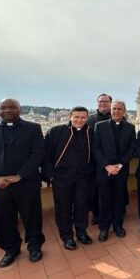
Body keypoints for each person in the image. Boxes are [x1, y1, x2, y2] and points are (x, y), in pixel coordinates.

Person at [0, 98, 45, 267]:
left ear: (20, 109)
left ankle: (34, 246)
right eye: (3, 108)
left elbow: (38, 154)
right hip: (0, 186)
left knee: (32, 216)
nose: (7, 110)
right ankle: (10, 249)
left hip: (27, 183)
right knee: (3, 219)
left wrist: (21, 175)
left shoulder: (33, 128)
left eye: (12, 107)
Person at [43, 106, 94, 250]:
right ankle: (67, 237)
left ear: (87, 118)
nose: (79, 120)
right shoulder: (55, 131)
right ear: (70, 116)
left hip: (83, 177)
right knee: (63, 209)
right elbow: (45, 155)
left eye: (83, 117)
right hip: (61, 178)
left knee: (82, 206)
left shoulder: (91, 132)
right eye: (76, 117)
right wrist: (50, 175)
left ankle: (81, 232)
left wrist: (90, 172)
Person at [93, 100, 136, 241]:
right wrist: (107, 166)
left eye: (119, 109)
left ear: (124, 111)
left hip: (121, 170)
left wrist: (120, 165)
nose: (116, 111)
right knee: (104, 200)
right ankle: (104, 228)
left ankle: (118, 225)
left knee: (119, 199)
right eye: (114, 109)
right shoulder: (100, 126)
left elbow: (131, 148)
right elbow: (96, 148)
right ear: (110, 110)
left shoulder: (130, 127)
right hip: (104, 170)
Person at [86, 93, 112, 225]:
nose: (103, 103)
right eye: (101, 101)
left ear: (110, 103)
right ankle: (96, 214)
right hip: (94, 161)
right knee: (94, 190)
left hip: (112, 161)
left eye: (106, 101)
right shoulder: (89, 119)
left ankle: (114, 213)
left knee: (113, 189)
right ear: (97, 103)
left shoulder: (118, 117)